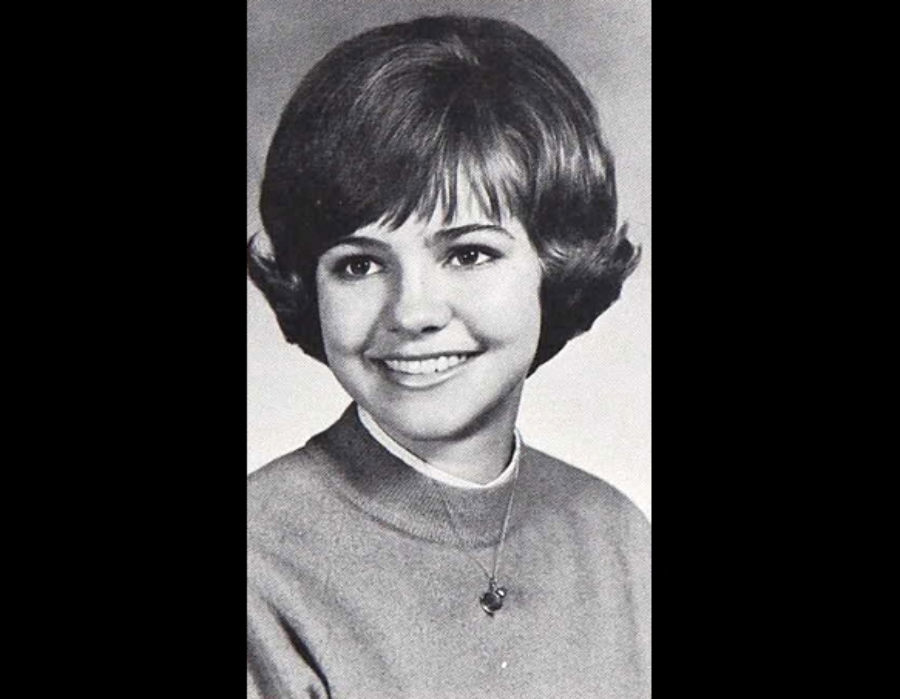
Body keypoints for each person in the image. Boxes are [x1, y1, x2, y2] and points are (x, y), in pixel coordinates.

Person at [247, 14, 650, 698]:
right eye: (358, 264)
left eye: (468, 253)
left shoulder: (617, 537)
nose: (411, 312)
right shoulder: (261, 559)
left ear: (553, 267)